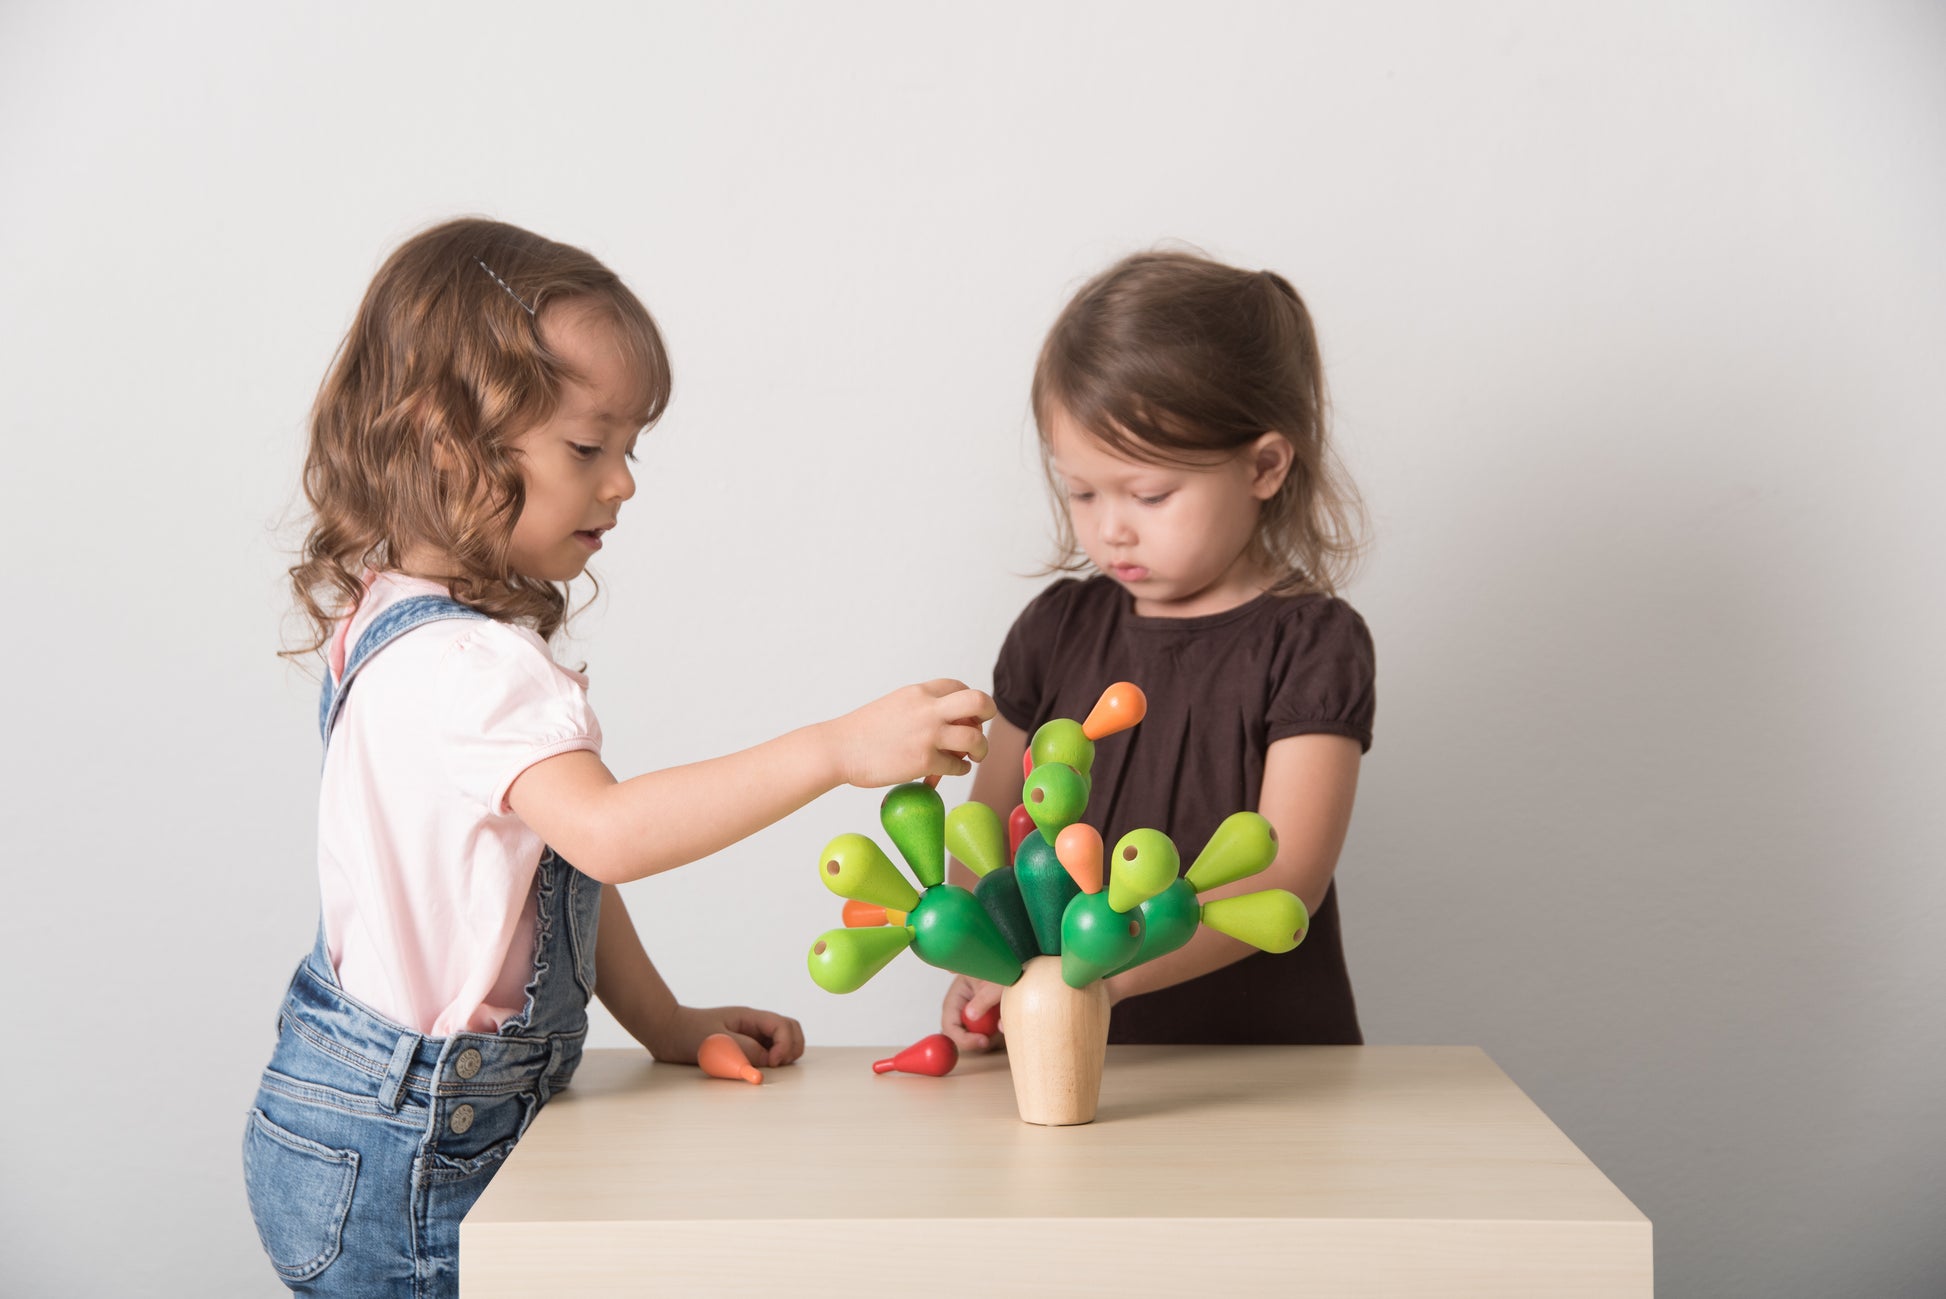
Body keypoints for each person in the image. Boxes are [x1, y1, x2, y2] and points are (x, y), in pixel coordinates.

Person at [244, 217, 993, 1297]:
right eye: (587, 448)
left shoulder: (390, 620)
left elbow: (555, 870)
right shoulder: (468, 666)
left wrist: (667, 1025)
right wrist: (836, 749)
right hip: (415, 1160)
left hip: (364, 1125)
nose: (623, 483)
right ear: (443, 441)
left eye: (628, 447)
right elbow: (610, 833)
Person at [941, 249, 1373, 1051]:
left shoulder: (1313, 643)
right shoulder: (1055, 629)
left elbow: (1287, 877)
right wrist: (985, 964)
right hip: (1070, 1053)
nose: (1112, 527)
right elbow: (987, 830)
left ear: (1263, 467)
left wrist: (1100, 973)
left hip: (1267, 1069)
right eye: (1081, 491)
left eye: (1149, 494)